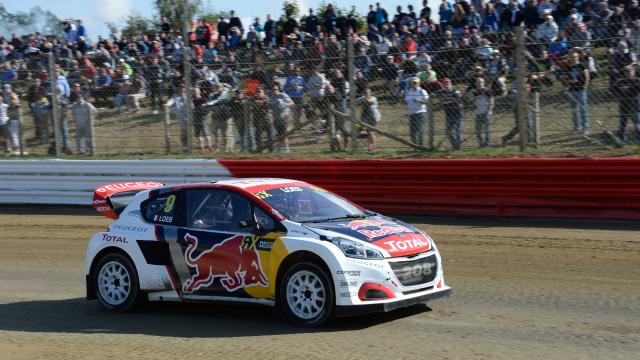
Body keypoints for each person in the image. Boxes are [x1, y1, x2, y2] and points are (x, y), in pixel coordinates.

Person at [561, 51, 590, 132]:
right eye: (572, 57)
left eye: (575, 56)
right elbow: (565, 79)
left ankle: (585, 127)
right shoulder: (568, 67)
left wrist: (585, 86)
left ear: (578, 57)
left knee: (583, 109)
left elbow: (587, 77)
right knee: (574, 109)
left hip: (581, 90)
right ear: (570, 57)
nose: (574, 58)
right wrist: (569, 82)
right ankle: (576, 127)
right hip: (572, 90)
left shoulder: (582, 65)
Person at [611, 67, 640, 143]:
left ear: (634, 72)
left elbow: (638, 87)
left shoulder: (637, 80)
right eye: (626, 72)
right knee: (623, 125)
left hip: (635, 106)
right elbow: (613, 88)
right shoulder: (621, 81)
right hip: (624, 106)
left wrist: (628, 88)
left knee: (637, 124)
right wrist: (621, 88)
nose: (628, 73)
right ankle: (623, 140)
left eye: (630, 72)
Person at [437, 78, 464, 150]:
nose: (447, 84)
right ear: (443, 84)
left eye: (448, 82)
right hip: (448, 114)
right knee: (447, 132)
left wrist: (450, 98)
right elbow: (434, 94)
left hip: (457, 113)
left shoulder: (455, 91)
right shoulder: (441, 92)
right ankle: (455, 145)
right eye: (445, 83)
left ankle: (458, 148)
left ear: (451, 83)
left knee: (458, 131)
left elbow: (460, 101)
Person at [404, 77, 429, 147]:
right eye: (413, 83)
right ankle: (415, 146)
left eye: (415, 83)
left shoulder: (422, 91)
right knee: (412, 131)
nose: (414, 84)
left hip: (420, 112)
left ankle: (421, 146)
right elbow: (406, 101)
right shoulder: (409, 91)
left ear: (418, 83)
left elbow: (427, 102)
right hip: (411, 113)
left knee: (420, 130)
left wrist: (419, 100)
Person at [269, 83, 293, 152]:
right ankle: (279, 149)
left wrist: (285, 104)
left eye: (276, 89)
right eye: (273, 90)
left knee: (283, 133)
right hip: (276, 118)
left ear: (279, 89)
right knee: (280, 135)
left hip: (284, 116)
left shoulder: (283, 95)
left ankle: (287, 149)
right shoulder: (271, 97)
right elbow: (271, 107)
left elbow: (292, 103)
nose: (274, 91)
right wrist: (270, 114)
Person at [472, 77, 495, 147]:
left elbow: (492, 100)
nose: (480, 84)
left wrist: (490, 110)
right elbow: (471, 101)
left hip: (486, 112)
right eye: (478, 82)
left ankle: (487, 143)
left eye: (481, 82)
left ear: (484, 83)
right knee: (477, 130)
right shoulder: (474, 92)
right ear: (476, 83)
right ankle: (481, 143)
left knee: (487, 130)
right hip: (478, 113)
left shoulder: (487, 90)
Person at [356, 88, 381, 152]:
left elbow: (369, 102)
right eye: (365, 93)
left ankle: (374, 147)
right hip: (366, 117)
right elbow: (354, 102)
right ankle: (361, 132)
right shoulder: (362, 98)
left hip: (374, 117)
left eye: (368, 93)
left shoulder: (374, 98)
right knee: (357, 124)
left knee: (371, 132)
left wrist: (363, 99)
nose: (367, 94)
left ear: (371, 93)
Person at [166, 86, 189, 153]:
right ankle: (184, 147)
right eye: (180, 88)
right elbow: (171, 101)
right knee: (183, 132)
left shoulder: (188, 95)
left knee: (188, 132)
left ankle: (188, 146)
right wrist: (167, 104)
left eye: (183, 88)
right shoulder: (175, 96)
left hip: (190, 116)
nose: (182, 89)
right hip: (181, 117)